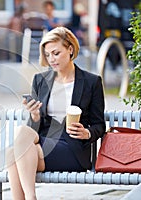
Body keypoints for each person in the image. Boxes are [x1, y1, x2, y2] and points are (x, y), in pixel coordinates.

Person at [7, 27, 106, 200]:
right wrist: (35, 116)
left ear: (70, 49)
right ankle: (31, 197)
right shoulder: (40, 80)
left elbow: (100, 125)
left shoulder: (92, 82)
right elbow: (34, 130)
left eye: (56, 53)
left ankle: (31, 198)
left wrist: (87, 133)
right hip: (46, 142)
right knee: (16, 146)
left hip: (74, 147)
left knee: (13, 154)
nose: (51, 59)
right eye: (47, 55)